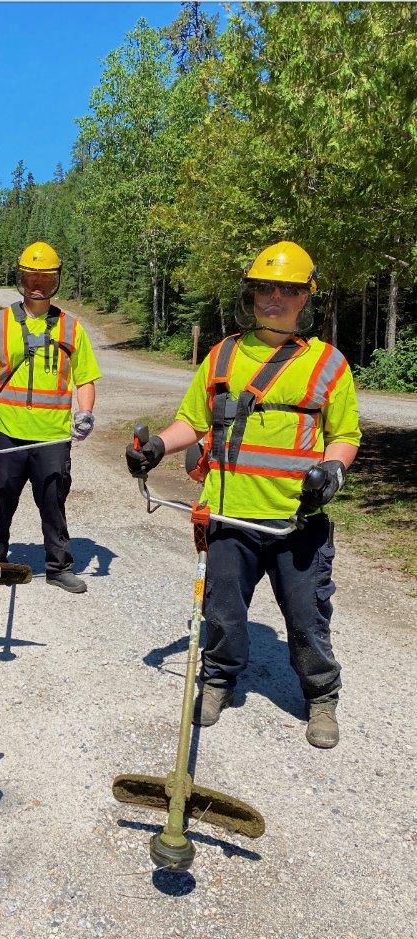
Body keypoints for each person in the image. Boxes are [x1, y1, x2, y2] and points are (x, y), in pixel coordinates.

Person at [126, 241, 361, 748]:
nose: (273, 298)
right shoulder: (222, 355)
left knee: (307, 618)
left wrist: (333, 471)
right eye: (263, 288)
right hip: (229, 515)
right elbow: (192, 420)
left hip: (297, 523)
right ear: (249, 294)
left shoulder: (328, 365)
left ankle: (321, 696)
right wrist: (156, 448)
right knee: (223, 611)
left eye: (288, 289)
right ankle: (217, 681)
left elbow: (346, 435)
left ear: (306, 296)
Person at [0, 242, 101, 594]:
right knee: (0, 498)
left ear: (55, 281)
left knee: (53, 500)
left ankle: (59, 567)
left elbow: (85, 379)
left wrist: (85, 413)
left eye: (45, 278)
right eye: (31, 277)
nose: (37, 284)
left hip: (52, 436)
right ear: (20, 278)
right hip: (5, 430)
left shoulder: (71, 328)